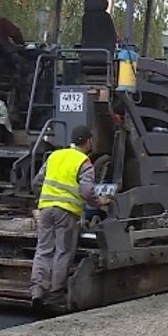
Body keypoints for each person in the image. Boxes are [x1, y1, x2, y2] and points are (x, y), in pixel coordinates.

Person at [30, 125, 110, 308]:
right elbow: (87, 190)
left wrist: (42, 200)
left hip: (46, 209)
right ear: (87, 141)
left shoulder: (54, 155)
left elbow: (37, 182)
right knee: (62, 252)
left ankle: (37, 290)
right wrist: (99, 203)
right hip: (66, 213)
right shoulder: (83, 162)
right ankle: (55, 294)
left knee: (43, 250)